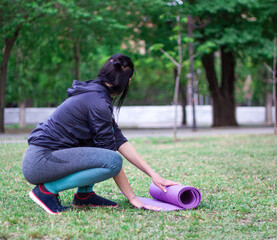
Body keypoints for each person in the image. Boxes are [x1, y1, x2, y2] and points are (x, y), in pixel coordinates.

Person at [22, 54, 179, 214]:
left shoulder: (95, 94)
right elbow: (111, 158)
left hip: (42, 159)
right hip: (40, 162)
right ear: (128, 81)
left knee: (99, 145)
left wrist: (154, 175)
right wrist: (132, 197)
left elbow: (118, 139)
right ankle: (46, 191)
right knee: (113, 160)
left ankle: (84, 195)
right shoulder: (98, 103)